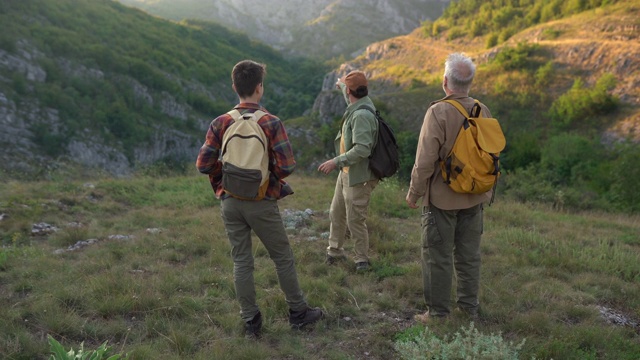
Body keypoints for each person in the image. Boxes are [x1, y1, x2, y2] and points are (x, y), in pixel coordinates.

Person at [196, 60, 322, 338]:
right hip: (261, 200)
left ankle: (251, 321)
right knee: (282, 257)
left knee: (241, 261)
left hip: (229, 200)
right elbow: (287, 166)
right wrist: (264, 176)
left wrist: (227, 175)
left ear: (234, 87)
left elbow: (203, 164)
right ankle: (299, 313)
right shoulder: (270, 122)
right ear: (259, 88)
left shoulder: (220, 122)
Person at [405, 53, 493, 322]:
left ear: (445, 82)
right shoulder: (482, 109)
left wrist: (414, 193)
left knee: (437, 256)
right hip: (475, 196)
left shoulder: (438, 111)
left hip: (443, 199)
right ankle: (469, 308)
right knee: (469, 256)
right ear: (470, 82)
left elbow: (424, 160)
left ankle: (438, 314)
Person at [318, 70, 379, 272]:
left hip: (358, 175)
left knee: (355, 219)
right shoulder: (359, 102)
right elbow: (349, 93)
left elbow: (363, 148)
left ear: (352, 93)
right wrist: (341, 84)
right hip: (346, 172)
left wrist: (335, 161)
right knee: (337, 213)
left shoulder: (361, 115)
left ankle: (361, 259)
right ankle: (334, 252)